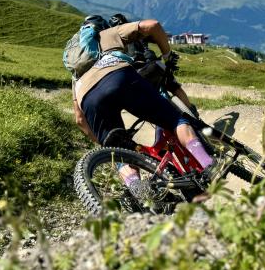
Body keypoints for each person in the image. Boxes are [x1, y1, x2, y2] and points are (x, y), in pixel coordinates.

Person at [71, 15, 214, 197]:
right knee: (174, 119)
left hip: (89, 99)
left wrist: (105, 143)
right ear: (101, 27)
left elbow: (79, 119)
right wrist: (167, 54)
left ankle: (142, 195)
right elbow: (152, 25)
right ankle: (209, 165)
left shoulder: (76, 66)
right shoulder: (108, 33)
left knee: (120, 151)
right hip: (120, 78)